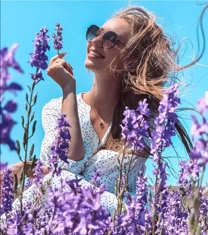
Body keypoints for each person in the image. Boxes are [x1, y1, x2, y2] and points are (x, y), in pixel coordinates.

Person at [2, 6, 195, 220]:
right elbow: (65, 166)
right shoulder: (55, 108)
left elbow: (61, 179)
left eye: (110, 38)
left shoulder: (141, 122)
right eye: (95, 32)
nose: (94, 41)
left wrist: (46, 173)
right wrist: (68, 89)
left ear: (132, 58)